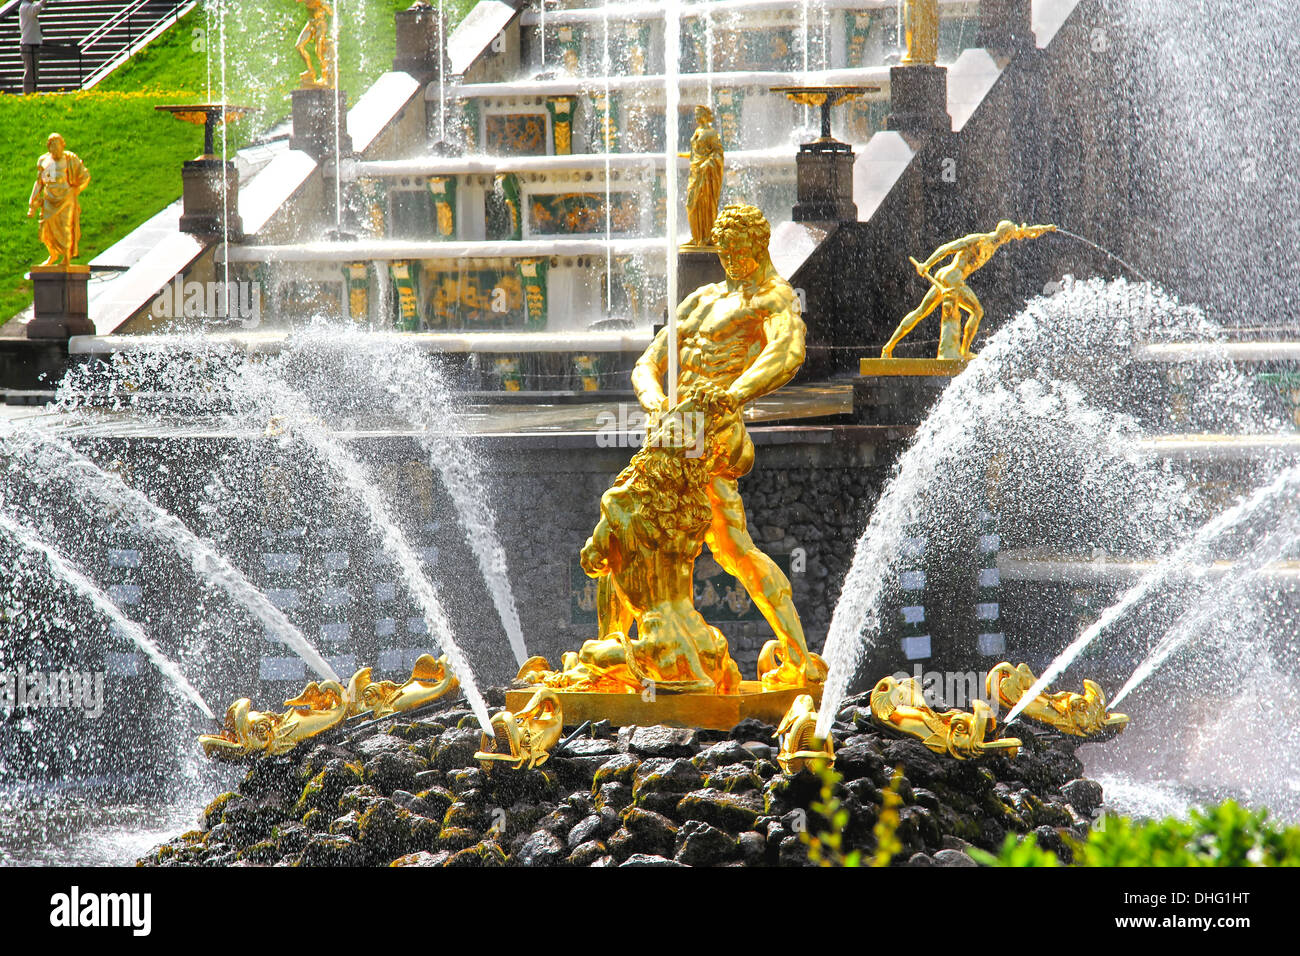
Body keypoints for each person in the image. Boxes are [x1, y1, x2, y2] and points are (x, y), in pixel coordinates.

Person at [630, 203, 828, 688]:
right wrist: (656, 402)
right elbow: (647, 364)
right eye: (725, 251)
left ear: (759, 245)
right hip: (675, 430)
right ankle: (788, 657)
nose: (733, 260)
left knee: (642, 522)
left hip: (714, 432)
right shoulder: (700, 299)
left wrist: (731, 395)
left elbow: (787, 352)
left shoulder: (773, 297)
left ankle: (665, 653)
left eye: (741, 251)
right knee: (729, 547)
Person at [881, 220, 1056, 360]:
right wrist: (927, 263)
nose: (1011, 239)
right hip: (952, 278)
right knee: (977, 311)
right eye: (1009, 236)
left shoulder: (997, 242)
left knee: (921, 312)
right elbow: (948, 248)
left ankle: (888, 347)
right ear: (1005, 235)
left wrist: (1047, 228)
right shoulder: (980, 240)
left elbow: (1024, 232)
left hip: (949, 277)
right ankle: (961, 352)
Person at [27, 132, 90, 267]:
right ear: (49, 148)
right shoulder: (44, 160)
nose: (55, 149)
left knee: (65, 227)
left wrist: (76, 190)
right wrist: (32, 200)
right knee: (45, 227)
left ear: (63, 145)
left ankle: (66, 258)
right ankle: (53, 254)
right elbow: (40, 182)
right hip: (50, 199)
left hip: (66, 198)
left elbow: (85, 176)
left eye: (57, 146)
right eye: (52, 147)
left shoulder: (70, 159)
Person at [681, 105, 724, 248]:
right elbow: (696, 153)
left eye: (699, 114)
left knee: (705, 204)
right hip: (695, 173)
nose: (696, 117)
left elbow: (718, 153)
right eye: (695, 114)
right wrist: (682, 155)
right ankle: (696, 237)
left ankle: (706, 237)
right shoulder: (697, 131)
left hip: (706, 174)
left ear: (706, 115)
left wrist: (707, 163)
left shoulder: (711, 133)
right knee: (691, 204)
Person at [19, 0, 51, 95]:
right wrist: (42, 2)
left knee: (34, 72)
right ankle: (28, 93)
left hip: (33, 43)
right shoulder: (25, 6)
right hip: (28, 44)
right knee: (30, 71)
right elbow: (35, 10)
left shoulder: (28, 6)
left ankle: (32, 92)